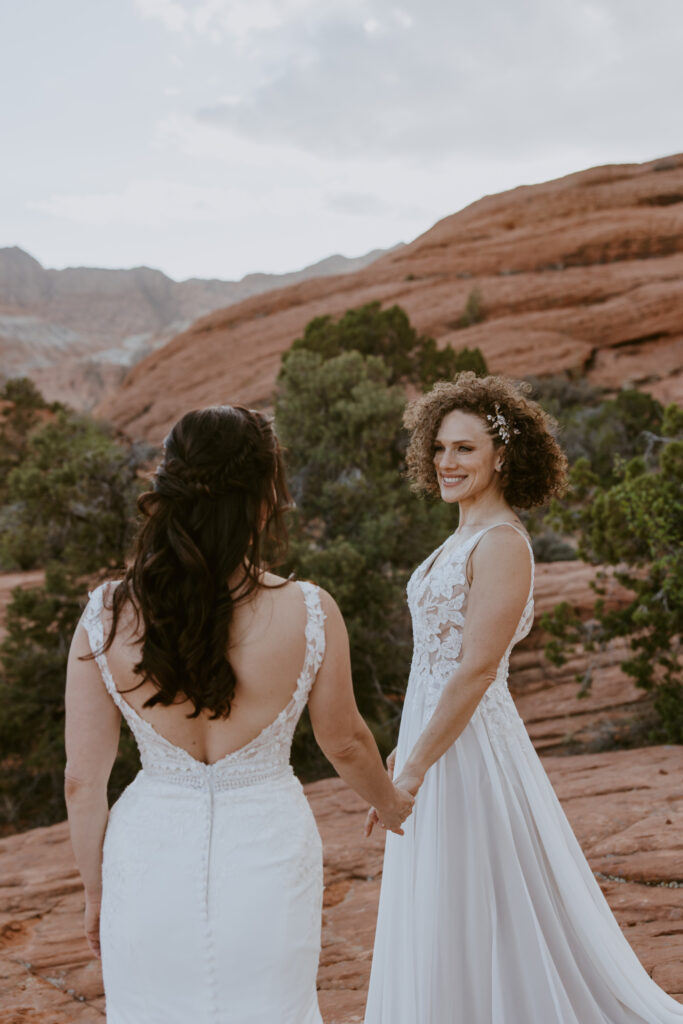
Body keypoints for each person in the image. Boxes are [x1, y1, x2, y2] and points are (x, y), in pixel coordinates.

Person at [64, 404, 414, 1024]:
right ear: (261, 500)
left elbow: (83, 783)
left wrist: (96, 893)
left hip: (146, 858)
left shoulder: (106, 614)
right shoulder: (309, 609)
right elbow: (346, 743)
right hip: (269, 850)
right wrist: (392, 806)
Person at [364, 372, 683, 1024]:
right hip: (435, 738)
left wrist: (414, 770)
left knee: (483, 894)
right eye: (439, 448)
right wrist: (405, 747)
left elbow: (477, 670)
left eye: (464, 450)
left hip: (472, 750)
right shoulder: (456, 539)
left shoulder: (502, 543)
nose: (445, 462)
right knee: (442, 897)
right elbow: (433, 664)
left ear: (501, 456)